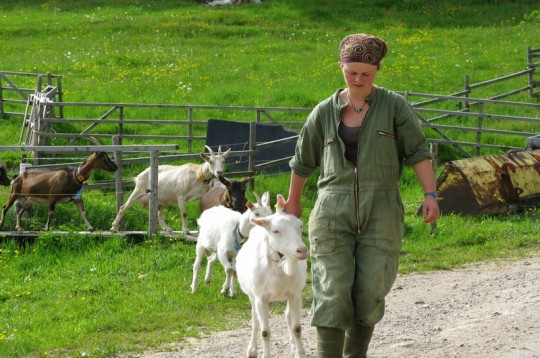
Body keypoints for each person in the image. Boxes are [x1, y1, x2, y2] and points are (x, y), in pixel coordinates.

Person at [283, 33, 440, 357]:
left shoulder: (394, 106)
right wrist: (294, 202)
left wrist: (430, 194)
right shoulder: (323, 112)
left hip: (381, 208)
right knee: (332, 290)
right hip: (331, 209)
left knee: (370, 292)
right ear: (341, 66)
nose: (357, 79)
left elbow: (418, 152)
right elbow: (302, 162)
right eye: (350, 72)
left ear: (377, 70)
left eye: (365, 74)